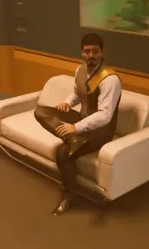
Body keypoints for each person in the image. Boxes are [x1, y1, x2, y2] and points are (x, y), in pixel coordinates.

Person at [34, 33, 122, 215]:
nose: (91, 55)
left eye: (95, 51)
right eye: (87, 51)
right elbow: (77, 94)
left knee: (62, 153)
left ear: (102, 52)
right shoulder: (80, 71)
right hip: (82, 119)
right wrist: (67, 103)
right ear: (81, 52)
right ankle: (74, 139)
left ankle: (68, 196)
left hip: (101, 130)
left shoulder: (110, 79)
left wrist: (76, 127)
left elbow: (105, 116)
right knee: (41, 112)